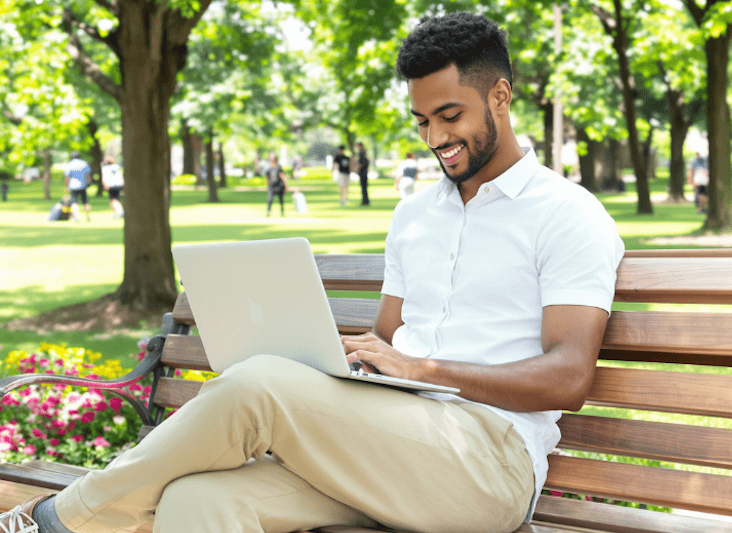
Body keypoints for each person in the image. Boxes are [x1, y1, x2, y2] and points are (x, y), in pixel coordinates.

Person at [1, 12, 624, 533]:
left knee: (257, 386)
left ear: (500, 96)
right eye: (423, 121)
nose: (436, 137)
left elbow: (569, 375)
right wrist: (344, 363)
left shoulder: (567, 215)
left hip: (488, 464)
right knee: (200, 503)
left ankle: (60, 519)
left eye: (450, 116)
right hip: (386, 443)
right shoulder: (414, 216)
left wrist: (425, 371)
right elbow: (386, 347)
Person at [63, 151, 92, 222]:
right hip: (83, 185)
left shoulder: (69, 164)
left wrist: (66, 186)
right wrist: (88, 183)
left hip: (73, 186)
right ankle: (88, 215)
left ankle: (76, 217)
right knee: (85, 202)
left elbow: (67, 177)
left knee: (74, 202)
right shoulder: (84, 164)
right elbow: (88, 175)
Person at [265, 152, 288, 217]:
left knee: (281, 199)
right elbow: (267, 176)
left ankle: (282, 211)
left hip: (279, 185)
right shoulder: (268, 167)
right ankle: (268, 212)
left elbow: (282, 176)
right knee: (270, 199)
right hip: (272, 186)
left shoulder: (279, 167)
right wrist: (268, 183)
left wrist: (286, 185)